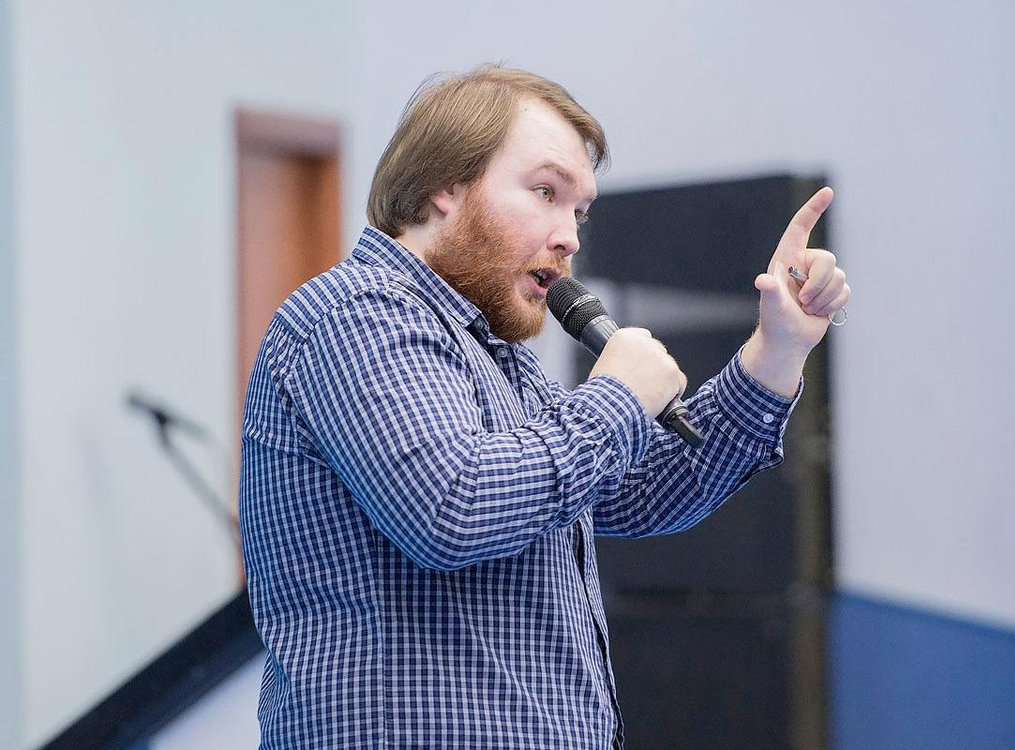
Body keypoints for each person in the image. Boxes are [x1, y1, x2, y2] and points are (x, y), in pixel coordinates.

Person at [240, 64, 850, 749]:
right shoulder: (354, 314)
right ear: (444, 186)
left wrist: (777, 350)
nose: (570, 238)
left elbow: (639, 493)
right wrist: (616, 398)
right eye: (545, 193)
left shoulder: (498, 356)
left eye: (579, 212)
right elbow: (452, 507)